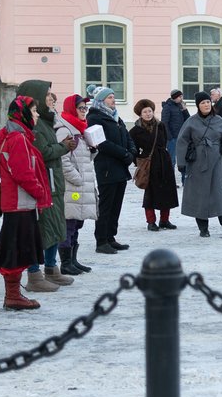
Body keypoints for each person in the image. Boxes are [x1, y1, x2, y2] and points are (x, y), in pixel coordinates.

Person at [0, 96, 52, 311]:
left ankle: (13, 294)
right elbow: (23, 173)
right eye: (34, 111)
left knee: (19, 249)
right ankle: (13, 296)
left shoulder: (20, 136)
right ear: (23, 113)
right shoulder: (18, 138)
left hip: (20, 203)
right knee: (15, 251)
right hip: (19, 203)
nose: (36, 115)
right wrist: (40, 191)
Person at [18, 82, 75, 289]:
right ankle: (35, 273)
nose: (52, 98)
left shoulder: (45, 120)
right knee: (42, 228)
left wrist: (64, 145)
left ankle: (51, 268)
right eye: (48, 95)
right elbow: (41, 152)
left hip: (53, 180)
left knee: (55, 225)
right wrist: (63, 147)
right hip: (44, 181)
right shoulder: (35, 123)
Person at [175, 91, 222, 237]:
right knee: (200, 195)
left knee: (218, 193)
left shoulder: (218, 120)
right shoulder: (191, 121)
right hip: (198, 163)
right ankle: (203, 228)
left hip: (215, 161)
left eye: (208, 102)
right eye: (203, 103)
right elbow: (182, 141)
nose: (206, 105)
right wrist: (181, 162)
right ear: (198, 105)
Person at [86, 84, 137, 254]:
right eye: (109, 97)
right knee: (106, 205)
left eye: (114, 96)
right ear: (100, 101)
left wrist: (132, 151)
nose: (113, 99)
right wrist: (124, 154)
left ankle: (111, 237)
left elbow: (127, 135)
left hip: (120, 167)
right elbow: (101, 143)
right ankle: (101, 240)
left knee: (116, 205)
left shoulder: (115, 117)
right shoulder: (95, 117)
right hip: (107, 167)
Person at [55, 94, 97, 274]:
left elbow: (82, 158)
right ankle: (65, 263)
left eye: (85, 108)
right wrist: (78, 179)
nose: (84, 112)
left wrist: (93, 151)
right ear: (72, 109)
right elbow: (63, 161)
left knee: (77, 223)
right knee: (68, 224)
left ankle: (73, 260)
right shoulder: (65, 130)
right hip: (72, 186)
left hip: (80, 185)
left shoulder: (79, 129)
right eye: (80, 108)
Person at [128, 98, 180, 232]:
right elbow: (131, 148)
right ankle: (151, 221)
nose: (148, 114)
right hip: (149, 164)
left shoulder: (160, 125)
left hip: (164, 161)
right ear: (140, 114)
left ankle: (164, 220)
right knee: (150, 194)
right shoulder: (135, 130)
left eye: (150, 111)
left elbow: (165, 141)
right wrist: (138, 161)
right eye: (144, 112)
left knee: (166, 191)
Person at [162, 89, 190, 183]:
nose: (182, 98)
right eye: (180, 97)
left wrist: (185, 110)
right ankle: (170, 182)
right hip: (172, 138)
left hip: (182, 137)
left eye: (182, 96)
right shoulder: (167, 107)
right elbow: (164, 123)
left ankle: (185, 180)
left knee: (183, 159)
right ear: (174, 97)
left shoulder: (180, 106)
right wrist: (169, 137)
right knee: (172, 161)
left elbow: (188, 120)